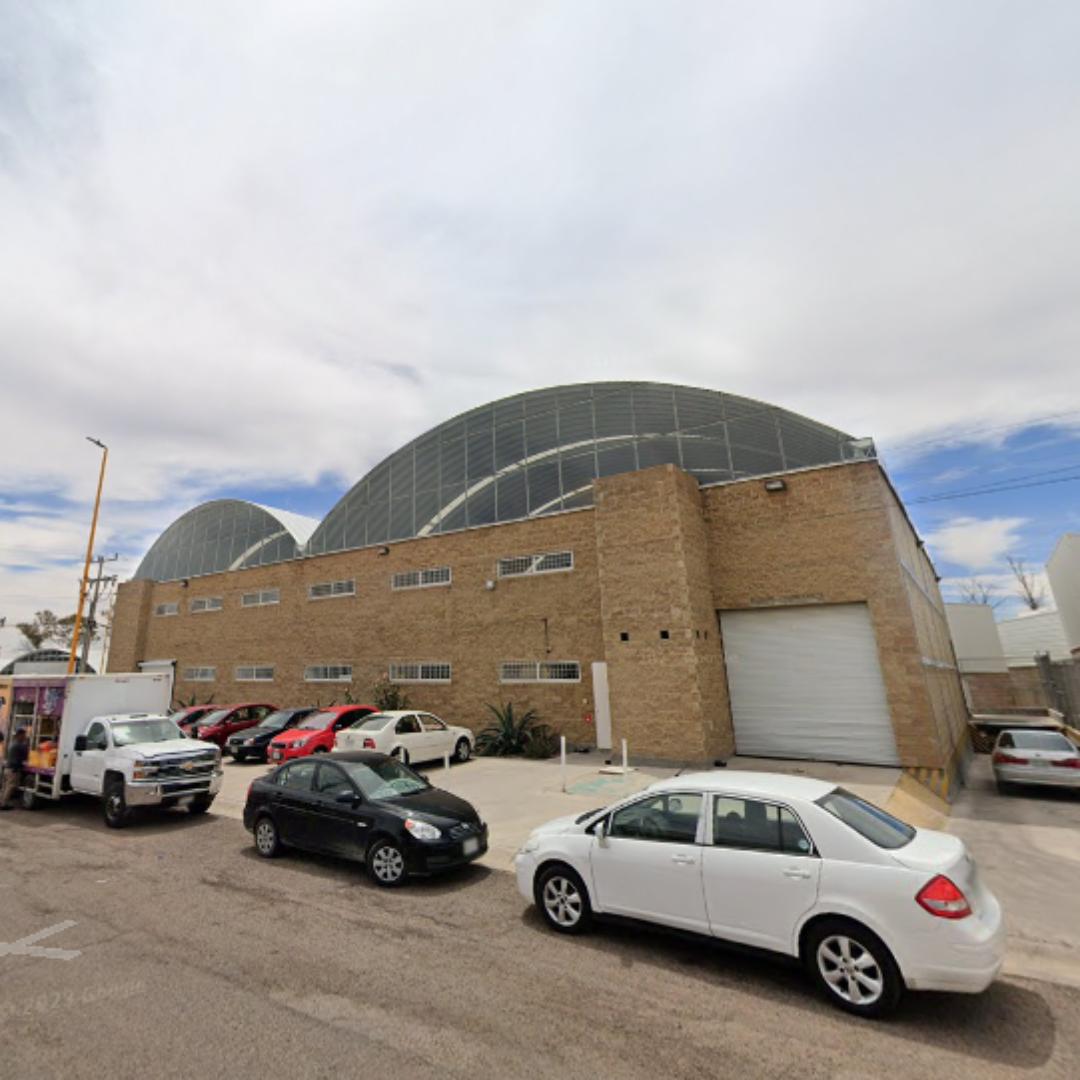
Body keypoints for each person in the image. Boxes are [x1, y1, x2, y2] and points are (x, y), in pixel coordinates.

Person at [0, 727, 29, 810]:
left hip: (8, 768)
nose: (25, 737)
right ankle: (3, 804)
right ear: (20, 735)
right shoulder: (19, 745)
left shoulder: (13, 743)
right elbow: (25, 756)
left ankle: (2, 802)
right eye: (24, 735)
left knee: (6, 787)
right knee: (10, 787)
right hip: (13, 770)